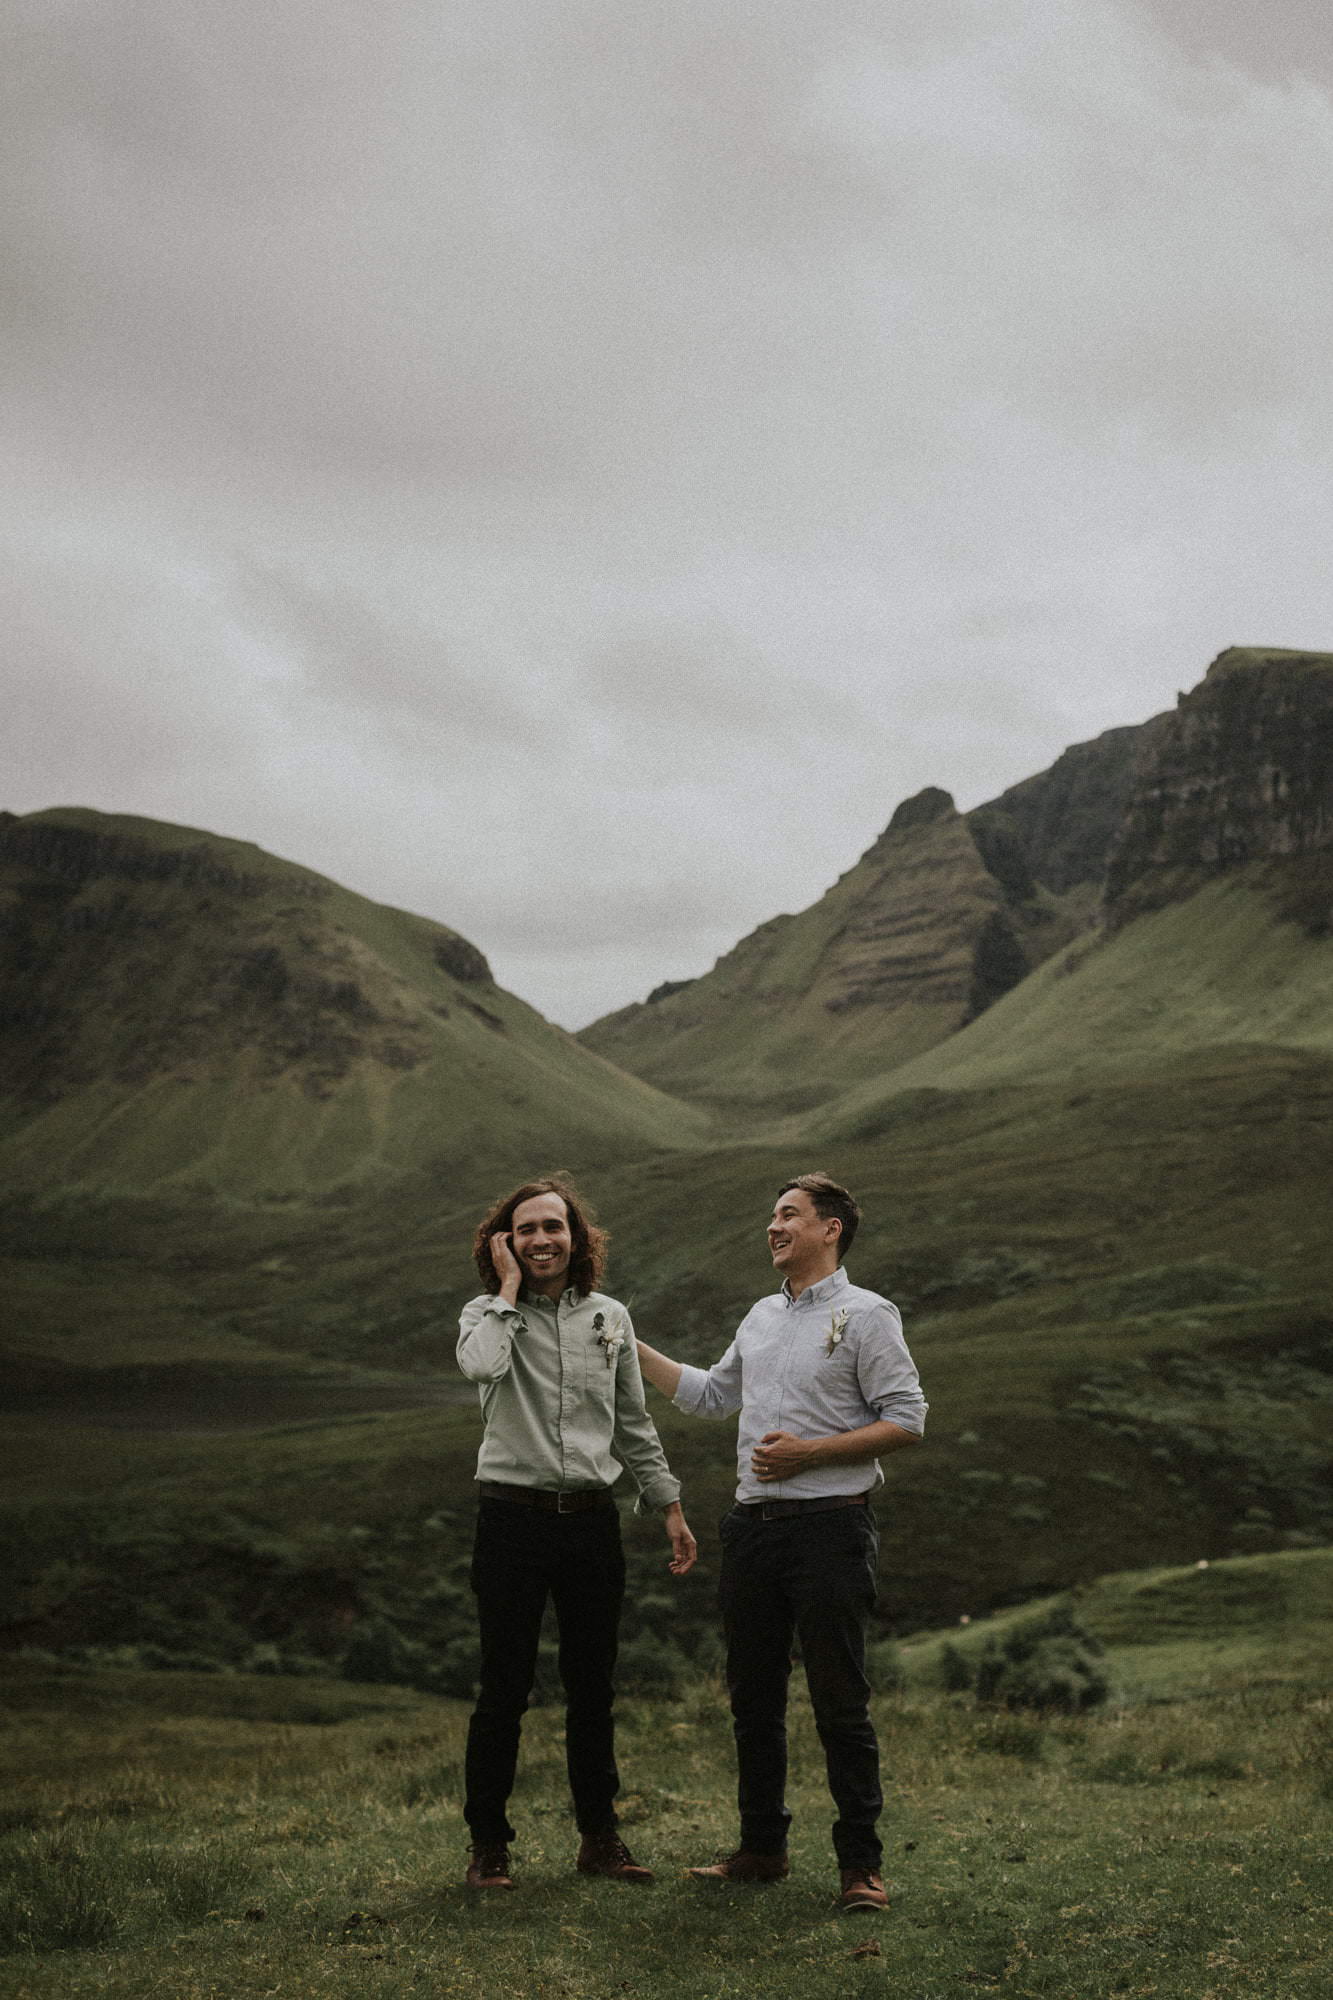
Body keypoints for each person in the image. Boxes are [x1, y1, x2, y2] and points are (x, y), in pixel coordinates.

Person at [636, 1171, 926, 1914]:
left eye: (788, 1215)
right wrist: (626, 1343)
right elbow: (708, 1395)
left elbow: (907, 1417)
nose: (773, 1227)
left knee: (840, 1702)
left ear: (830, 1229)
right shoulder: (760, 1315)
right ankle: (761, 1850)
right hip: (751, 1529)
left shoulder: (867, 1315)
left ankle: (860, 1867)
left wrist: (811, 1454)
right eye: (771, 1215)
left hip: (830, 1527)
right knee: (752, 1701)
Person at [456, 1173, 696, 1892]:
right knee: (503, 1689)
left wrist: (669, 1506)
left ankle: (599, 1840)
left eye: (552, 1227)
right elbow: (481, 1367)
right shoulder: (484, 1315)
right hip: (510, 1522)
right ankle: (488, 1847)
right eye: (524, 1230)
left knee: (592, 1688)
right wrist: (503, 1290)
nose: (540, 1240)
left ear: (575, 1238)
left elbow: (631, 1422)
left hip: (591, 1525)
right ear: (506, 1241)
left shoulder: (609, 1318)